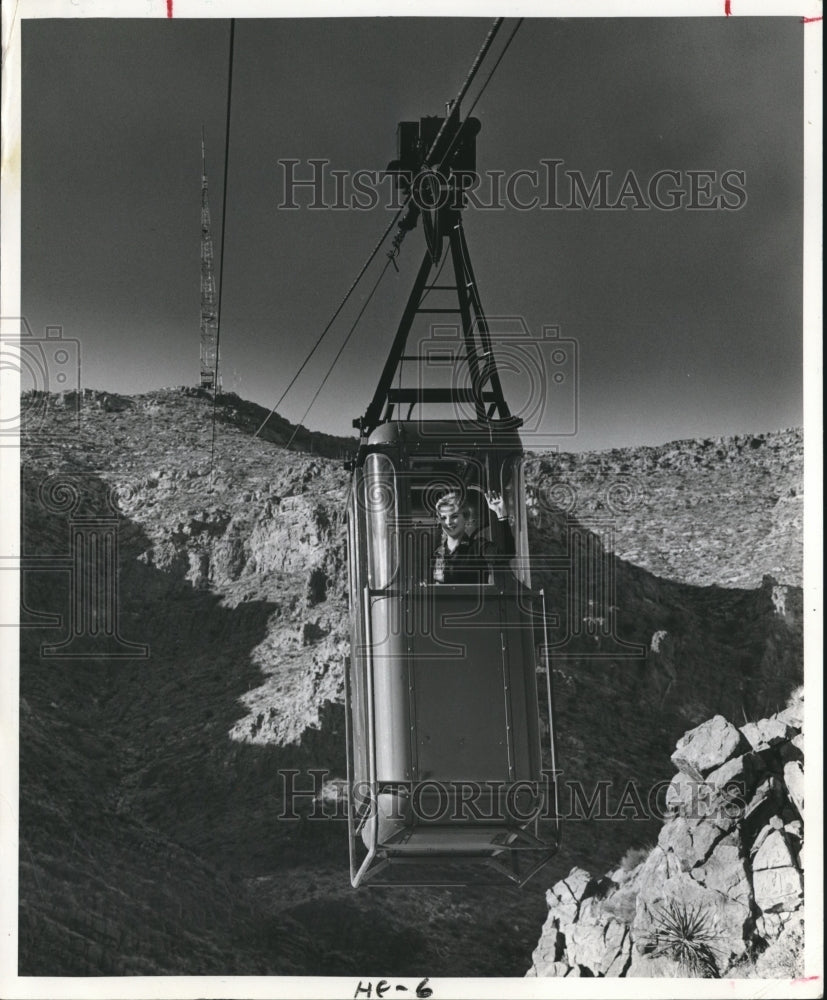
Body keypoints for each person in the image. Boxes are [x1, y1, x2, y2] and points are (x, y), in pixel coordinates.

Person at [431, 489, 515, 584]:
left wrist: (501, 515)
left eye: (454, 516)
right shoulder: (438, 552)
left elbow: (505, 554)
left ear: (465, 518)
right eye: (443, 518)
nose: (448, 522)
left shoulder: (478, 547)